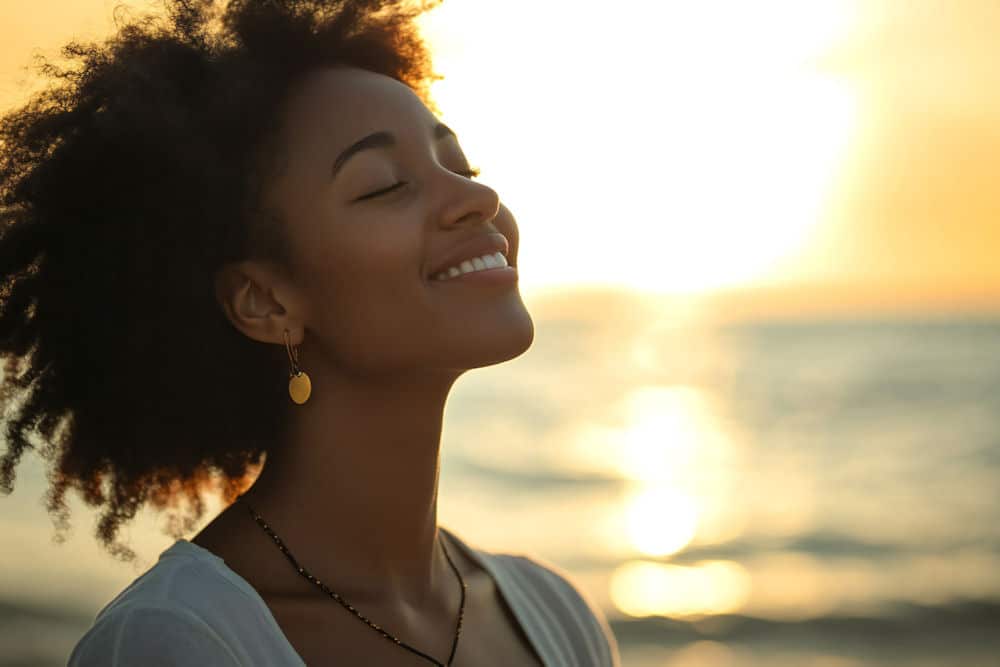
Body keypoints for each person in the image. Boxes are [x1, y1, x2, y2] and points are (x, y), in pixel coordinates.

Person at [0, 0, 621, 664]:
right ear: (266, 301)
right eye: (385, 186)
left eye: (460, 166)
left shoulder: (555, 615)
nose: (479, 198)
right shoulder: (179, 641)